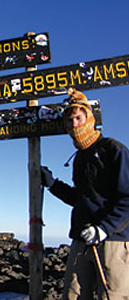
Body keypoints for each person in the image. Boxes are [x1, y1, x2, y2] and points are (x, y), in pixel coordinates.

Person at [41, 88, 129, 300]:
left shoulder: (112, 149)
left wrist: (103, 229)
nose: (74, 124)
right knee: (73, 295)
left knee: (112, 296)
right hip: (81, 239)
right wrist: (52, 184)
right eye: (70, 120)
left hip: (113, 241)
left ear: (89, 118)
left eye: (78, 118)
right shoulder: (80, 157)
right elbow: (81, 198)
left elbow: (128, 198)